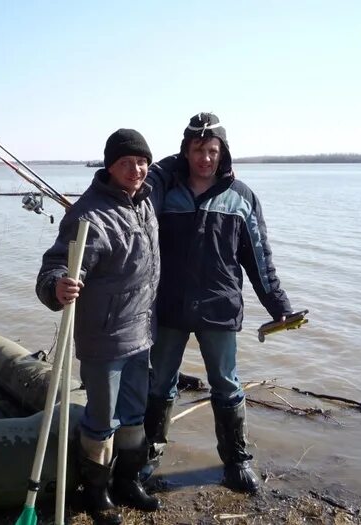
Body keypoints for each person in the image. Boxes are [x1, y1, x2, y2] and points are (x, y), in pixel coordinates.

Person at [143, 112, 294, 493]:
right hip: (169, 307)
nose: (205, 158)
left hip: (219, 308)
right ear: (186, 151)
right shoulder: (165, 191)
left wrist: (278, 304)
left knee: (226, 385)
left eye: (212, 150)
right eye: (198, 149)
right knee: (160, 383)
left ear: (222, 152)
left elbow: (259, 257)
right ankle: (149, 454)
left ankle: (237, 462)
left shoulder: (241, 197)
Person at [36, 129, 161, 525]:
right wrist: (57, 286)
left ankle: (128, 481)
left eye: (142, 162)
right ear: (110, 166)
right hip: (104, 338)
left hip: (142, 333)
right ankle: (97, 493)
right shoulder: (87, 215)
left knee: (135, 414)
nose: (136, 170)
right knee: (102, 419)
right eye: (127, 163)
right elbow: (55, 265)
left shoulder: (145, 202)